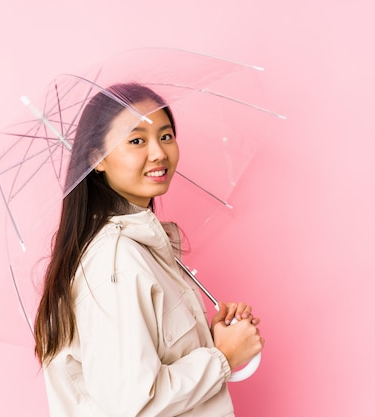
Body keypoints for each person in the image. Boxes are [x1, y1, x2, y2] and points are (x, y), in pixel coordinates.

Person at [34, 82, 264, 416]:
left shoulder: (142, 247)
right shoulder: (115, 262)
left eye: (166, 136)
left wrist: (213, 341)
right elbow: (131, 406)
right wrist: (222, 358)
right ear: (97, 158)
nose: (158, 152)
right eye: (137, 140)